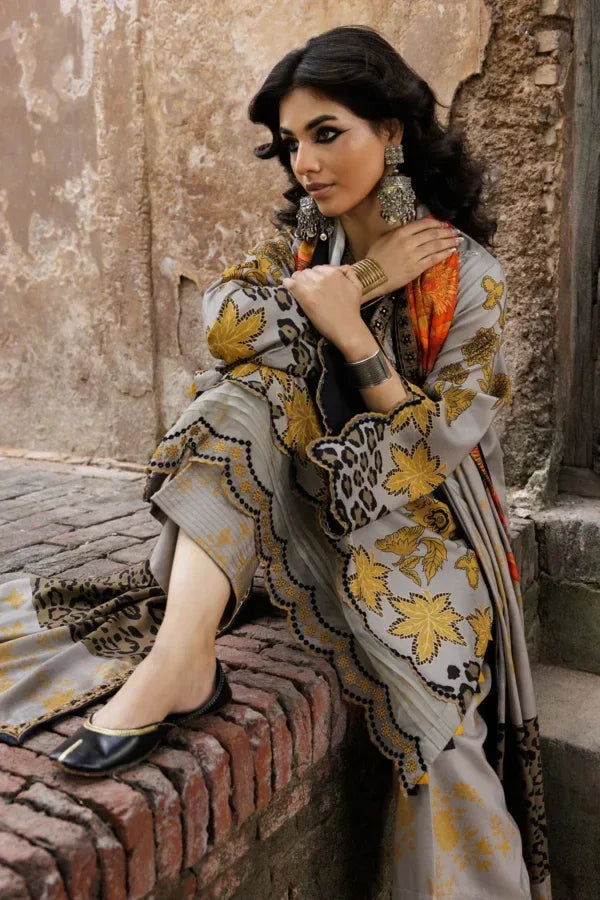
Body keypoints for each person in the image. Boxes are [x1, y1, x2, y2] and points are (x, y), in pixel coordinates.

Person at [0, 24, 551, 899]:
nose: (305, 162)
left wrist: (349, 332)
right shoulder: (306, 248)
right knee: (240, 395)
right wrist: (359, 281)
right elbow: (224, 327)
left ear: (392, 130)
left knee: (439, 720)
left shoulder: (468, 276)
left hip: (415, 527)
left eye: (326, 133)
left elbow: (434, 449)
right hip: (295, 495)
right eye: (291, 142)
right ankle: (182, 660)